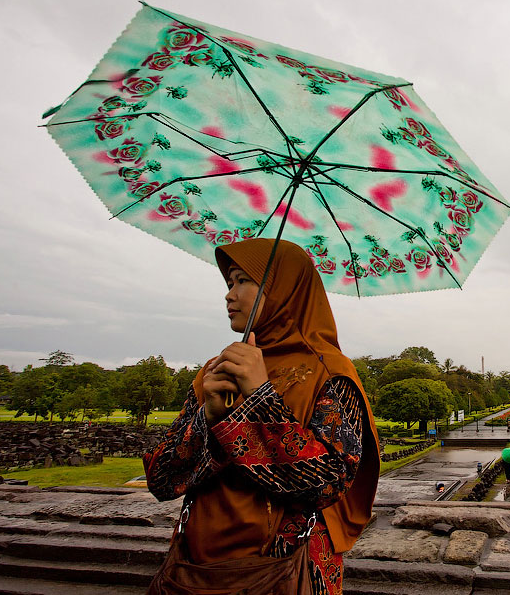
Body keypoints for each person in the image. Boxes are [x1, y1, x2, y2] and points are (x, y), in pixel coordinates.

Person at [143, 239, 379, 595]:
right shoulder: (217, 370)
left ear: (285, 289)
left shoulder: (329, 374)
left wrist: (261, 397)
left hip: (286, 570)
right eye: (228, 283)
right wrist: (208, 417)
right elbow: (161, 480)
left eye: (243, 281)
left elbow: (329, 483)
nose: (229, 294)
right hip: (197, 569)